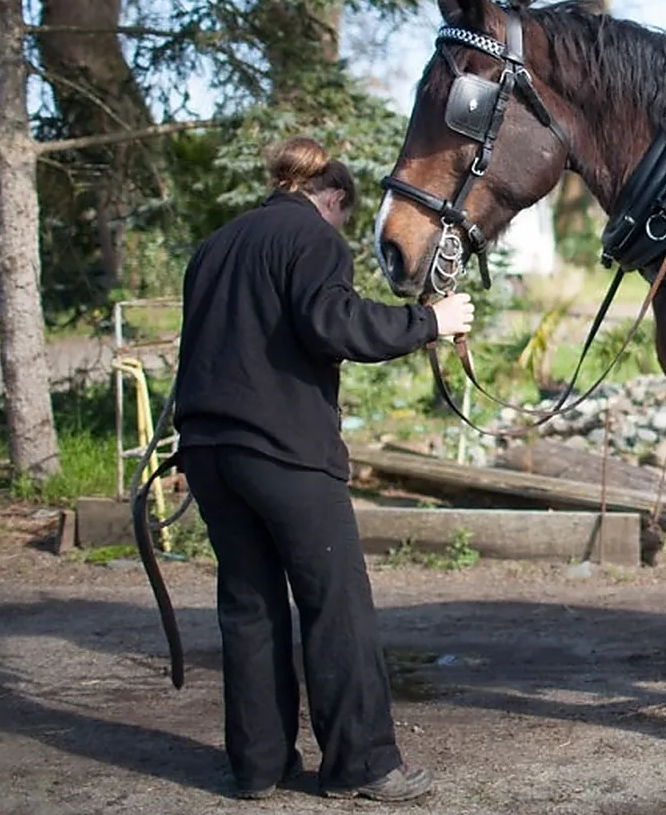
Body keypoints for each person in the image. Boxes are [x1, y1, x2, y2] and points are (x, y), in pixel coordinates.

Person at [172, 136, 472, 803]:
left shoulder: (214, 247)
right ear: (332, 198)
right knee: (337, 606)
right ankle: (362, 764)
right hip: (283, 450)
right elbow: (333, 322)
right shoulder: (313, 237)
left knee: (249, 606)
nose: (340, 227)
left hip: (208, 450)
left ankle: (258, 767)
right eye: (343, 215)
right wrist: (429, 322)